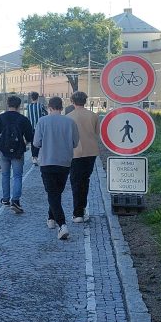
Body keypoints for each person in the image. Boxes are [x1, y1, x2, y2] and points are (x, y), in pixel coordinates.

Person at [33, 96, 79, 240]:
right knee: (56, 192)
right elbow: (75, 143)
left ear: (49, 107)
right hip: (64, 162)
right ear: (61, 107)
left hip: (47, 161)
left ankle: (62, 225)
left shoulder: (42, 121)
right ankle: (51, 218)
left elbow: (36, 143)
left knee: (52, 193)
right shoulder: (70, 122)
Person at [0, 96, 35, 213]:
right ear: (19, 106)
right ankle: (15, 201)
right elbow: (30, 137)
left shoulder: (0, 118)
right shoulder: (23, 119)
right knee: (17, 176)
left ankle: (5, 199)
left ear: (7, 104)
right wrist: (24, 143)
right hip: (18, 151)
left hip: (4, 150)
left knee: (5, 175)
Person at [67, 91, 100, 223]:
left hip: (75, 153)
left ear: (72, 102)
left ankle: (77, 213)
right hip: (91, 152)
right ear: (85, 101)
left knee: (75, 182)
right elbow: (97, 133)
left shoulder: (68, 117)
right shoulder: (93, 115)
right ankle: (82, 209)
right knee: (85, 180)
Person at [25, 91, 46, 165]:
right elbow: (45, 114)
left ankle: (33, 157)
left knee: (32, 142)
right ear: (38, 98)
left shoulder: (28, 106)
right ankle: (35, 157)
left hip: (31, 127)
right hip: (39, 127)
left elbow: (28, 117)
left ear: (31, 98)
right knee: (38, 142)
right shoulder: (40, 105)